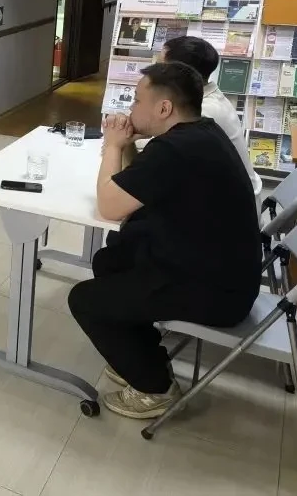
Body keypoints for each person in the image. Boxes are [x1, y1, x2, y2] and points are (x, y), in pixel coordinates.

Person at [67, 62, 260, 419]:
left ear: (164, 108)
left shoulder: (176, 150)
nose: (131, 108)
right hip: (217, 266)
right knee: (110, 261)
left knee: (85, 299)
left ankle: (155, 389)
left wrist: (112, 146)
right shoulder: (199, 132)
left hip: (217, 291)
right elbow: (139, 185)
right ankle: (142, 357)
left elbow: (110, 206)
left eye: (137, 100)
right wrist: (126, 145)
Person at [159, 35, 262, 198]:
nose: (154, 72)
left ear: (179, 74)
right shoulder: (205, 97)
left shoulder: (203, 112)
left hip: (232, 204)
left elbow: (164, 159)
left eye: (160, 66)